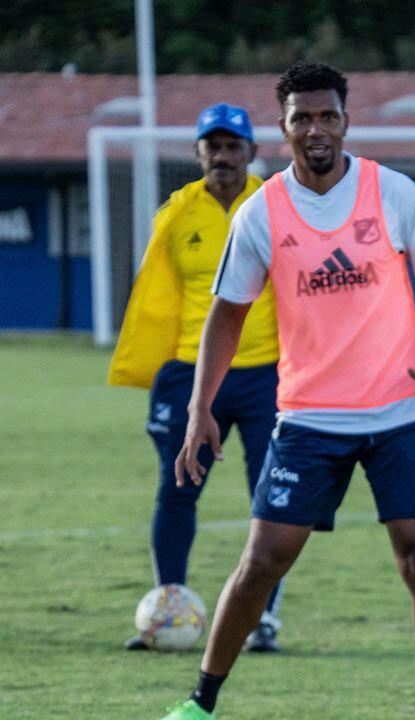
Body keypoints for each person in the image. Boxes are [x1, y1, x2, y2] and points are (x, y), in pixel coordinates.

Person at [135, 62, 415, 720]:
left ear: (346, 121)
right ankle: (199, 705)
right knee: (263, 561)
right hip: (309, 417)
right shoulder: (261, 212)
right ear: (284, 127)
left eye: (327, 116)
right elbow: (225, 317)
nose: (316, 129)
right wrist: (201, 406)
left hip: (398, 410)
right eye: (302, 118)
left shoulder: (392, 192)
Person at [109, 103, 286, 653]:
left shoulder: (279, 206)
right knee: (177, 489)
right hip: (191, 372)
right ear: (198, 154)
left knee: (274, 496)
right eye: (214, 146)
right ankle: (168, 609)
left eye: (234, 146)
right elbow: (155, 296)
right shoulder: (177, 214)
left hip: (266, 375)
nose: (224, 156)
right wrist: (156, 368)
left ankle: (264, 621)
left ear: (252, 153)